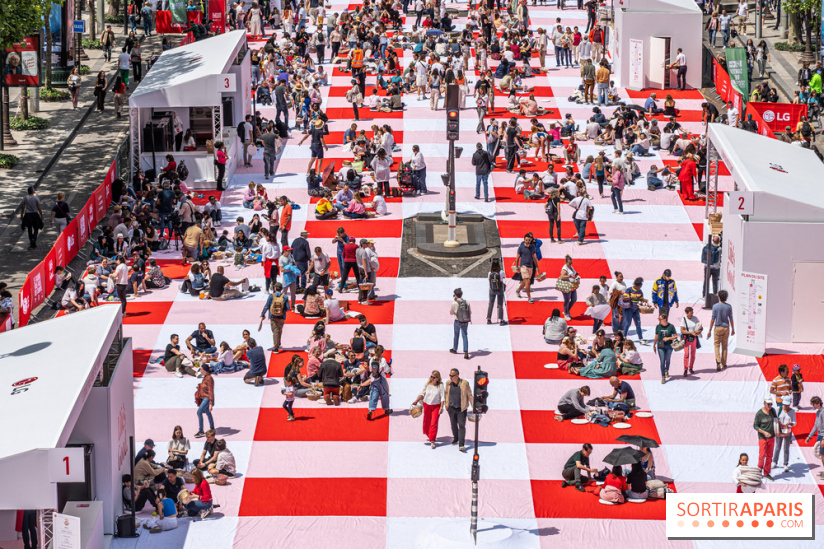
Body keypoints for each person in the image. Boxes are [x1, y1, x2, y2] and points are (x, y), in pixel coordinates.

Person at [412, 370, 445, 449]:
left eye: (434, 377)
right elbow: (421, 393)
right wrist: (416, 401)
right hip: (427, 405)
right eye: (431, 376)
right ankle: (430, 435)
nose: (432, 378)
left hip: (436, 406)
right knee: (427, 422)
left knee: (434, 423)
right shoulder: (427, 384)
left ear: (438, 378)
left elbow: (443, 397)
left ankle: (432, 440)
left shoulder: (440, 385)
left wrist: (441, 407)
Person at [444, 368, 472, 452]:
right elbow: (446, 394)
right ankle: (456, 438)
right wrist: (446, 404)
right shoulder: (448, 383)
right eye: (450, 375)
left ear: (457, 376)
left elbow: (470, 395)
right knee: (453, 425)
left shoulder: (464, 383)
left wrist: (475, 407)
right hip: (451, 408)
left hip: (461, 409)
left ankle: (461, 444)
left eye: (452, 376)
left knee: (462, 426)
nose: (450, 377)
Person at [707, 289, 734, 370]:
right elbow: (731, 318)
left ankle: (718, 362)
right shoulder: (729, 306)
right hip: (726, 327)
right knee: (725, 346)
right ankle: (724, 363)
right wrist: (733, 329)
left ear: (719, 297)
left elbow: (713, 319)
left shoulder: (715, 306)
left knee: (716, 345)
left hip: (718, 327)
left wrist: (709, 330)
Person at [260, 282, 290, 353]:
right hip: (282, 316)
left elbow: (267, 306)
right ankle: (278, 342)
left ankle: (276, 347)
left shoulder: (271, 296)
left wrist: (262, 314)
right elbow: (288, 308)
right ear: (281, 289)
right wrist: (282, 310)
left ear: (275, 288)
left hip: (273, 316)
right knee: (279, 329)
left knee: (275, 331)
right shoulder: (285, 297)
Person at [366, 345, 392, 420]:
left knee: (373, 394)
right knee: (384, 394)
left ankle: (370, 410)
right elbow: (387, 370)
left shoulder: (372, 359)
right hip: (381, 379)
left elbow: (370, 369)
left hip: (374, 379)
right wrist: (389, 372)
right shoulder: (383, 360)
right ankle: (386, 409)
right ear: (382, 352)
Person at [754, 396, 777, 481]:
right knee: (762, 455)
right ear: (764, 403)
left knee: (770, 456)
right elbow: (755, 426)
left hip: (771, 437)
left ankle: (766, 472)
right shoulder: (759, 414)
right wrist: (764, 432)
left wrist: (781, 427)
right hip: (762, 438)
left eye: (771, 404)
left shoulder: (772, 411)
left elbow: (776, 420)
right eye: (768, 404)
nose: (770, 406)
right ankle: (759, 471)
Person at [772, 401, 796, 474]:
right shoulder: (778, 409)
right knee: (777, 447)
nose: (785, 406)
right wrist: (777, 421)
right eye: (784, 405)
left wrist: (790, 423)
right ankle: (774, 462)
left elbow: (795, 422)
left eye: (787, 405)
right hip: (779, 430)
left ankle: (785, 464)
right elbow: (773, 418)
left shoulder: (792, 411)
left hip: (787, 431)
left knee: (786, 448)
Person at [653, 314, 677, 384]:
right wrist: (654, 345)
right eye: (659, 319)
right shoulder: (658, 326)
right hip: (660, 344)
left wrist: (668, 338)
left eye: (660, 319)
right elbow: (656, 336)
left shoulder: (671, 326)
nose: (659, 321)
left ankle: (667, 370)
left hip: (669, 345)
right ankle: (663, 376)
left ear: (665, 319)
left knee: (668, 360)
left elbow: (676, 336)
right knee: (662, 361)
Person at [514, 233, 538, 303]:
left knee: (525, 282)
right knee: (527, 281)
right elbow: (517, 258)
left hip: (530, 266)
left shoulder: (533, 247)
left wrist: (537, 267)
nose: (528, 241)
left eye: (529, 240)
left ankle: (518, 291)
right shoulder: (521, 248)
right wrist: (517, 267)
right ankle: (529, 297)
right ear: (524, 240)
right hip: (523, 266)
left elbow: (534, 258)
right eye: (526, 240)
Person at [805, 396, 824, 479]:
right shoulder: (818, 412)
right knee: (821, 455)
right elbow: (816, 425)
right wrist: (809, 436)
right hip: (819, 435)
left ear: (818, 403)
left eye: (814, 404)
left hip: (823, 436)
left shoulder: (823, 412)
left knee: (823, 455)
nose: (813, 406)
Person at [680, 307, 703, 376]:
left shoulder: (695, 318)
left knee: (693, 354)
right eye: (690, 313)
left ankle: (691, 367)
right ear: (687, 313)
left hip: (694, 337)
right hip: (686, 338)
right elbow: (682, 330)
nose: (692, 314)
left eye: (692, 312)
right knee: (686, 354)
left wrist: (698, 331)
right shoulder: (683, 319)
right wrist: (690, 333)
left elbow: (700, 327)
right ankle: (685, 368)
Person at [449, 288, 471, 359]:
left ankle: (455, 349)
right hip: (465, 321)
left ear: (455, 295)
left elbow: (451, 313)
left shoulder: (454, 303)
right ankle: (466, 351)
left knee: (456, 335)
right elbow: (470, 312)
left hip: (457, 321)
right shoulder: (467, 302)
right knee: (465, 335)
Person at [194, 368, 215, 438]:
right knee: (208, 412)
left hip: (207, 399)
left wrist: (210, 403)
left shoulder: (209, 379)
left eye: (201, 369)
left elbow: (210, 391)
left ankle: (201, 431)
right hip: (204, 398)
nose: (200, 371)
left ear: (205, 371)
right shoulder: (205, 377)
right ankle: (212, 428)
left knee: (199, 412)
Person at [558, 255, 580, 321]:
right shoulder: (564, 268)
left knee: (574, 299)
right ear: (566, 262)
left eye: (571, 263)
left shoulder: (571, 267)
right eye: (569, 263)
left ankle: (566, 311)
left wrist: (576, 276)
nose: (571, 264)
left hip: (572, 286)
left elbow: (574, 274)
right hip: (566, 286)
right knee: (567, 301)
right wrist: (570, 276)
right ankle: (566, 313)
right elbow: (562, 276)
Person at [487, 258, 507, 326]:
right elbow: (504, 276)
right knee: (500, 304)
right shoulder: (501, 272)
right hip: (500, 289)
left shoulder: (490, 273)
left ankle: (489, 319)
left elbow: (489, 280)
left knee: (491, 304)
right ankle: (501, 320)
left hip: (492, 290)